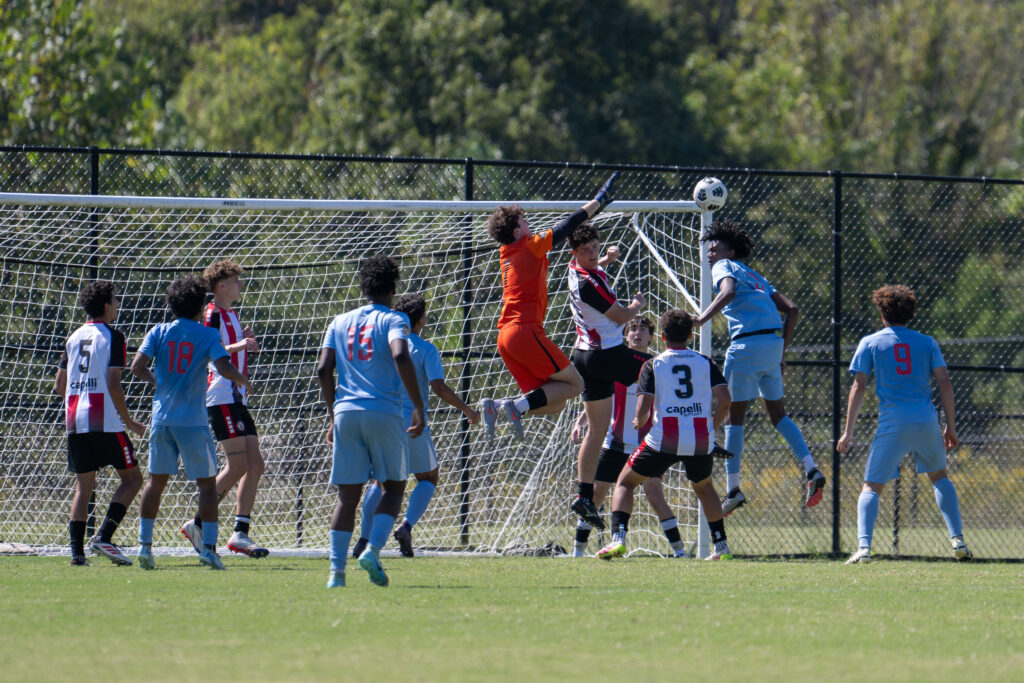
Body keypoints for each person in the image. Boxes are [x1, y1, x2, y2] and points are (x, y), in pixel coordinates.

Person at [693, 220, 826, 516]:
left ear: (730, 251)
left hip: (746, 347)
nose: (710, 254)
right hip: (771, 345)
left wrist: (701, 319)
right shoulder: (756, 277)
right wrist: (782, 351)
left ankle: (733, 489)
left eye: (715, 249)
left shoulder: (723, 268)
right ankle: (812, 469)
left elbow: (726, 292)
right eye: (709, 249)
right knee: (778, 415)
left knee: (733, 418)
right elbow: (792, 309)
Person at [479, 173, 618, 444]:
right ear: (517, 231)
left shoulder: (506, 253)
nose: (529, 223)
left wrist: (602, 261)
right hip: (524, 331)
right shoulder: (529, 247)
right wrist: (598, 201)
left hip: (506, 338)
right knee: (576, 385)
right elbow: (569, 224)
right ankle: (514, 408)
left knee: (555, 403)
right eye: (524, 220)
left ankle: (496, 406)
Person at [837, 285, 971, 563]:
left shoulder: (871, 342)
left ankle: (864, 548)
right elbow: (944, 382)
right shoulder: (927, 342)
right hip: (926, 420)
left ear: (882, 313)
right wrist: (950, 426)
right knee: (940, 476)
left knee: (872, 487)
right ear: (910, 314)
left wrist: (848, 431)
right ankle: (957, 540)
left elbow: (858, 386)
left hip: (893, 422)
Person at [316, 254, 425, 588]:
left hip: (346, 413)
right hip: (384, 411)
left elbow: (322, 369)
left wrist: (334, 414)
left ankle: (336, 574)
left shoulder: (339, 321)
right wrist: (418, 405)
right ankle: (372, 549)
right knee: (394, 485)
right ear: (394, 286)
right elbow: (400, 354)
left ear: (363, 286)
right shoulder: (395, 320)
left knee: (346, 496)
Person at [130, 276, 252, 570]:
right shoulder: (207, 335)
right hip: (193, 422)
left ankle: (145, 547)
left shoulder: (158, 330)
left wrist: (157, 381)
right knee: (207, 486)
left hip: (161, 420)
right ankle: (208, 549)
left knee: (155, 482)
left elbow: (136, 367)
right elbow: (223, 366)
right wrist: (242, 379)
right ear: (201, 305)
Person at [596, 309, 734, 560]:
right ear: (691, 335)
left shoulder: (653, 364)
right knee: (704, 487)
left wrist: (641, 419)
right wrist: (711, 428)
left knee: (626, 482)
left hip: (663, 440)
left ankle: (618, 539)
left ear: (661, 336)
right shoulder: (706, 362)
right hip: (700, 440)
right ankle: (722, 547)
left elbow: (644, 407)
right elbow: (725, 400)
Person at [351, 293, 480, 559]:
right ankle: (406, 527)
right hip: (412, 423)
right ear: (419, 320)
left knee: (380, 480)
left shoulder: (382, 345)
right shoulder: (425, 349)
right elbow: (438, 386)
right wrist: (466, 408)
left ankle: (363, 539)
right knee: (428, 477)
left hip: (380, 418)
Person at [570, 316, 689, 557]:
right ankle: (577, 553)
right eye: (632, 329)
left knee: (655, 495)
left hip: (646, 445)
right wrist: (581, 421)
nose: (637, 333)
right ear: (625, 335)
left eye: (643, 329)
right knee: (593, 497)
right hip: (614, 443)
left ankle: (680, 552)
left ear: (652, 337)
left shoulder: (657, 366)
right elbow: (599, 399)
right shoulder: (613, 365)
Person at [179, 260, 268, 559]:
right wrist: (239, 345)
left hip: (236, 397)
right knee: (239, 465)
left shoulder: (231, 314)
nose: (240, 285)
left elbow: (229, 349)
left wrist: (245, 345)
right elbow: (207, 351)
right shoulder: (211, 314)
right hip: (220, 397)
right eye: (235, 280)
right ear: (220, 286)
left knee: (255, 464)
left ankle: (240, 533)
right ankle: (198, 523)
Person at [55, 281, 146, 566]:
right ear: (107, 307)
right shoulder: (114, 336)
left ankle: (77, 555)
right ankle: (104, 537)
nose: (117, 306)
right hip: (103, 418)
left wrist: (78, 394)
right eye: (116, 301)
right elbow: (114, 385)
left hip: (74, 419)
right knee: (133, 479)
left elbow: (59, 386)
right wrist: (129, 421)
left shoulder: (72, 337)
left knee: (85, 487)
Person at [565, 221, 646, 528]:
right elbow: (623, 316)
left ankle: (584, 497)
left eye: (595, 248)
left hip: (585, 356)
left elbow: (591, 265)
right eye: (586, 251)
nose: (592, 254)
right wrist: (638, 304)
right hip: (606, 355)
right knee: (661, 369)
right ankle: (699, 431)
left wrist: (606, 260)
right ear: (575, 252)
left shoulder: (576, 269)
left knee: (597, 431)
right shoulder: (589, 283)